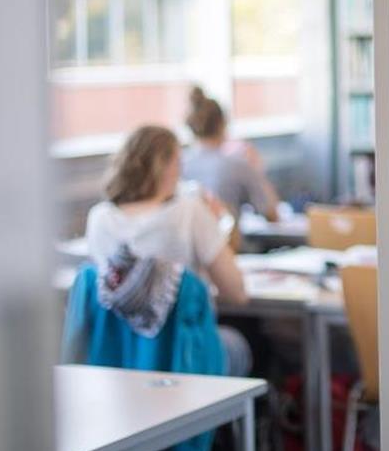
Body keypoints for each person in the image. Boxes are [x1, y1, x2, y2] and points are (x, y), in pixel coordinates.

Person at [85, 125, 252, 377]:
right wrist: (222, 221)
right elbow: (237, 293)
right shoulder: (190, 211)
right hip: (181, 359)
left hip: (119, 361)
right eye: (178, 162)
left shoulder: (98, 218)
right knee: (239, 344)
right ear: (167, 168)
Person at [182, 86, 281, 222]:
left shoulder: (180, 163)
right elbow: (272, 214)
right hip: (228, 241)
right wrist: (257, 171)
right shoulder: (237, 165)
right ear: (222, 124)